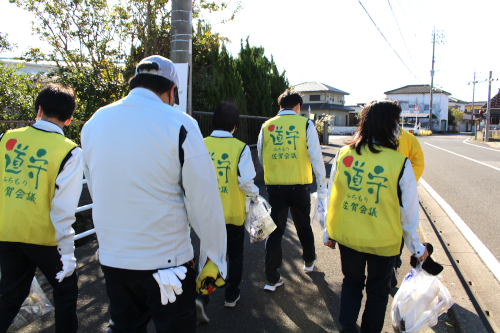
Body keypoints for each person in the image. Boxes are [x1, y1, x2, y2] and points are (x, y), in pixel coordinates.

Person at [80, 55, 227, 332]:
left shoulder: (94, 122)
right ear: (172, 90)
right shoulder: (180, 123)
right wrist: (216, 257)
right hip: (167, 265)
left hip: (114, 260)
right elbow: (203, 200)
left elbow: (94, 184)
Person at [324, 100, 428, 333]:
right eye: (396, 123)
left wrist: (327, 232)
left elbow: (333, 196)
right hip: (383, 242)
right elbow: (408, 212)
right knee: (378, 291)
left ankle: (347, 327)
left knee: (351, 283)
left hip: (348, 237)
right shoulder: (400, 163)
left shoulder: (344, 154)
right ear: (390, 126)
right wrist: (417, 249)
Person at [0, 83, 82, 333]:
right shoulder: (69, 151)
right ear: (69, 120)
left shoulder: (6, 138)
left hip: (7, 232)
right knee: (66, 293)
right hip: (46, 239)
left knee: (10, 296)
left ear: (39, 110)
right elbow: (64, 208)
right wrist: (68, 253)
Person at [257, 89, 327, 291]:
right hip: (300, 186)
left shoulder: (267, 125)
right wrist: (322, 184)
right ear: (298, 107)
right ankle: (309, 261)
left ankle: (271, 278)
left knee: (275, 231)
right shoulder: (305, 124)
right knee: (303, 225)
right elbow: (315, 156)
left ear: (280, 106)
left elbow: (261, 156)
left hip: (275, 187)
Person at [196, 102, 259, 321]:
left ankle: (203, 297)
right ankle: (231, 295)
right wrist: (255, 195)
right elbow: (245, 181)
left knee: (210, 256)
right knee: (235, 255)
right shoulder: (241, 148)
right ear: (235, 125)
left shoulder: (200, 145)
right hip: (233, 214)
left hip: (207, 215)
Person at [392, 126, 425, 286]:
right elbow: (418, 161)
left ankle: (390, 263)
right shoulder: (407, 137)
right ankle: (394, 262)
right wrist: (409, 181)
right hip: (400, 189)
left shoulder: (373, 132)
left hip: (378, 188)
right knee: (400, 225)